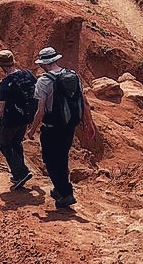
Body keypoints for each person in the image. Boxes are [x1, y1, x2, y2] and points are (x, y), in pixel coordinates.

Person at [25, 46, 95, 209]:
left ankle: (66, 194)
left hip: (51, 127)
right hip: (69, 125)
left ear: (44, 63)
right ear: (56, 60)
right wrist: (89, 124)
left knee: (50, 160)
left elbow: (41, 111)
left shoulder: (43, 81)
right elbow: (84, 102)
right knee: (62, 158)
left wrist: (32, 130)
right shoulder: (73, 76)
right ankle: (59, 189)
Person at [0, 49, 35, 190]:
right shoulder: (27, 74)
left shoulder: (5, 84)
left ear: (1, 66)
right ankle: (18, 175)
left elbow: (0, 111)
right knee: (16, 144)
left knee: (4, 145)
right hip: (25, 118)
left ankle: (22, 172)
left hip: (10, 121)